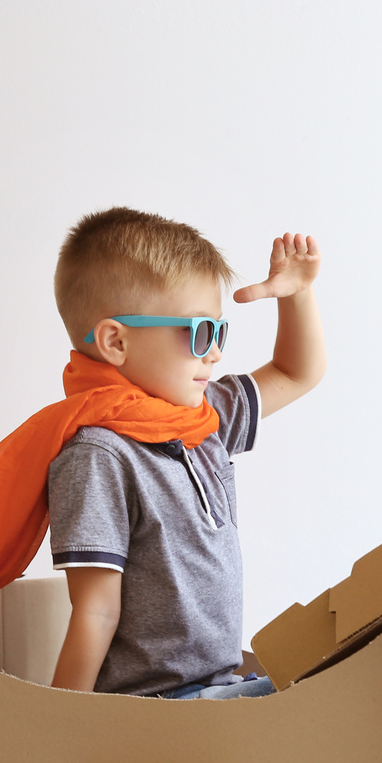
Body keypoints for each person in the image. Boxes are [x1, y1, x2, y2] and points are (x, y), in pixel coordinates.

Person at [44, 209, 324, 699]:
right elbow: (95, 609)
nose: (214, 353)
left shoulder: (202, 419)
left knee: (344, 677)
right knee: (338, 700)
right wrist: (62, 729)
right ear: (116, 341)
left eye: (219, 332)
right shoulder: (99, 456)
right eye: (199, 334)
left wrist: (297, 295)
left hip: (221, 683)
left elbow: (297, 372)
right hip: (161, 703)